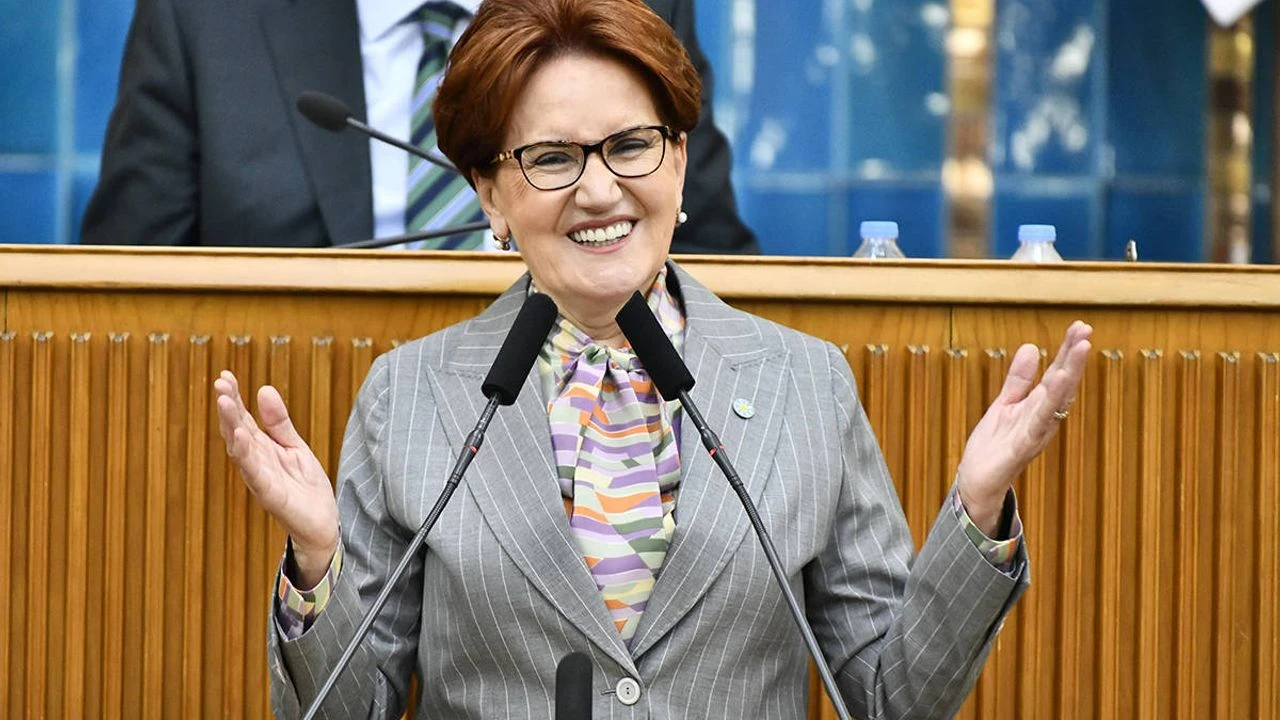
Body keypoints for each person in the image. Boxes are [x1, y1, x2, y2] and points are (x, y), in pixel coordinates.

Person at [214, 0, 1093, 717]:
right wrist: (318, 562)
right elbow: (349, 711)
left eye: (631, 145)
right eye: (552, 158)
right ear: (491, 196)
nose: (600, 190)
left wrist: (977, 510)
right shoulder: (409, 395)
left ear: (677, 160)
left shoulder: (805, 384)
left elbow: (886, 699)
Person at [79, 0, 757, 254]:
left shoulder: (625, 6)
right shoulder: (201, 17)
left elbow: (709, 255)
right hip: (294, 421)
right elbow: (121, 283)